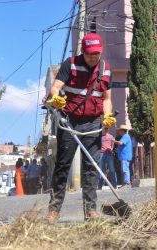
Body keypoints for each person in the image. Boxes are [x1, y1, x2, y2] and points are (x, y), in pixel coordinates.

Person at [44, 33, 116, 223]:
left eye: (97, 54)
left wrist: (107, 116)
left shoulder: (106, 69)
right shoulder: (71, 64)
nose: (94, 57)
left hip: (93, 123)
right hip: (70, 121)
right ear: (83, 51)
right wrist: (56, 97)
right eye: (90, 53)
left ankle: (90, 210)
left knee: (91, 167)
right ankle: (54, 210)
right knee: (62, 166)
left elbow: (106, 99)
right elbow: (56, 87)